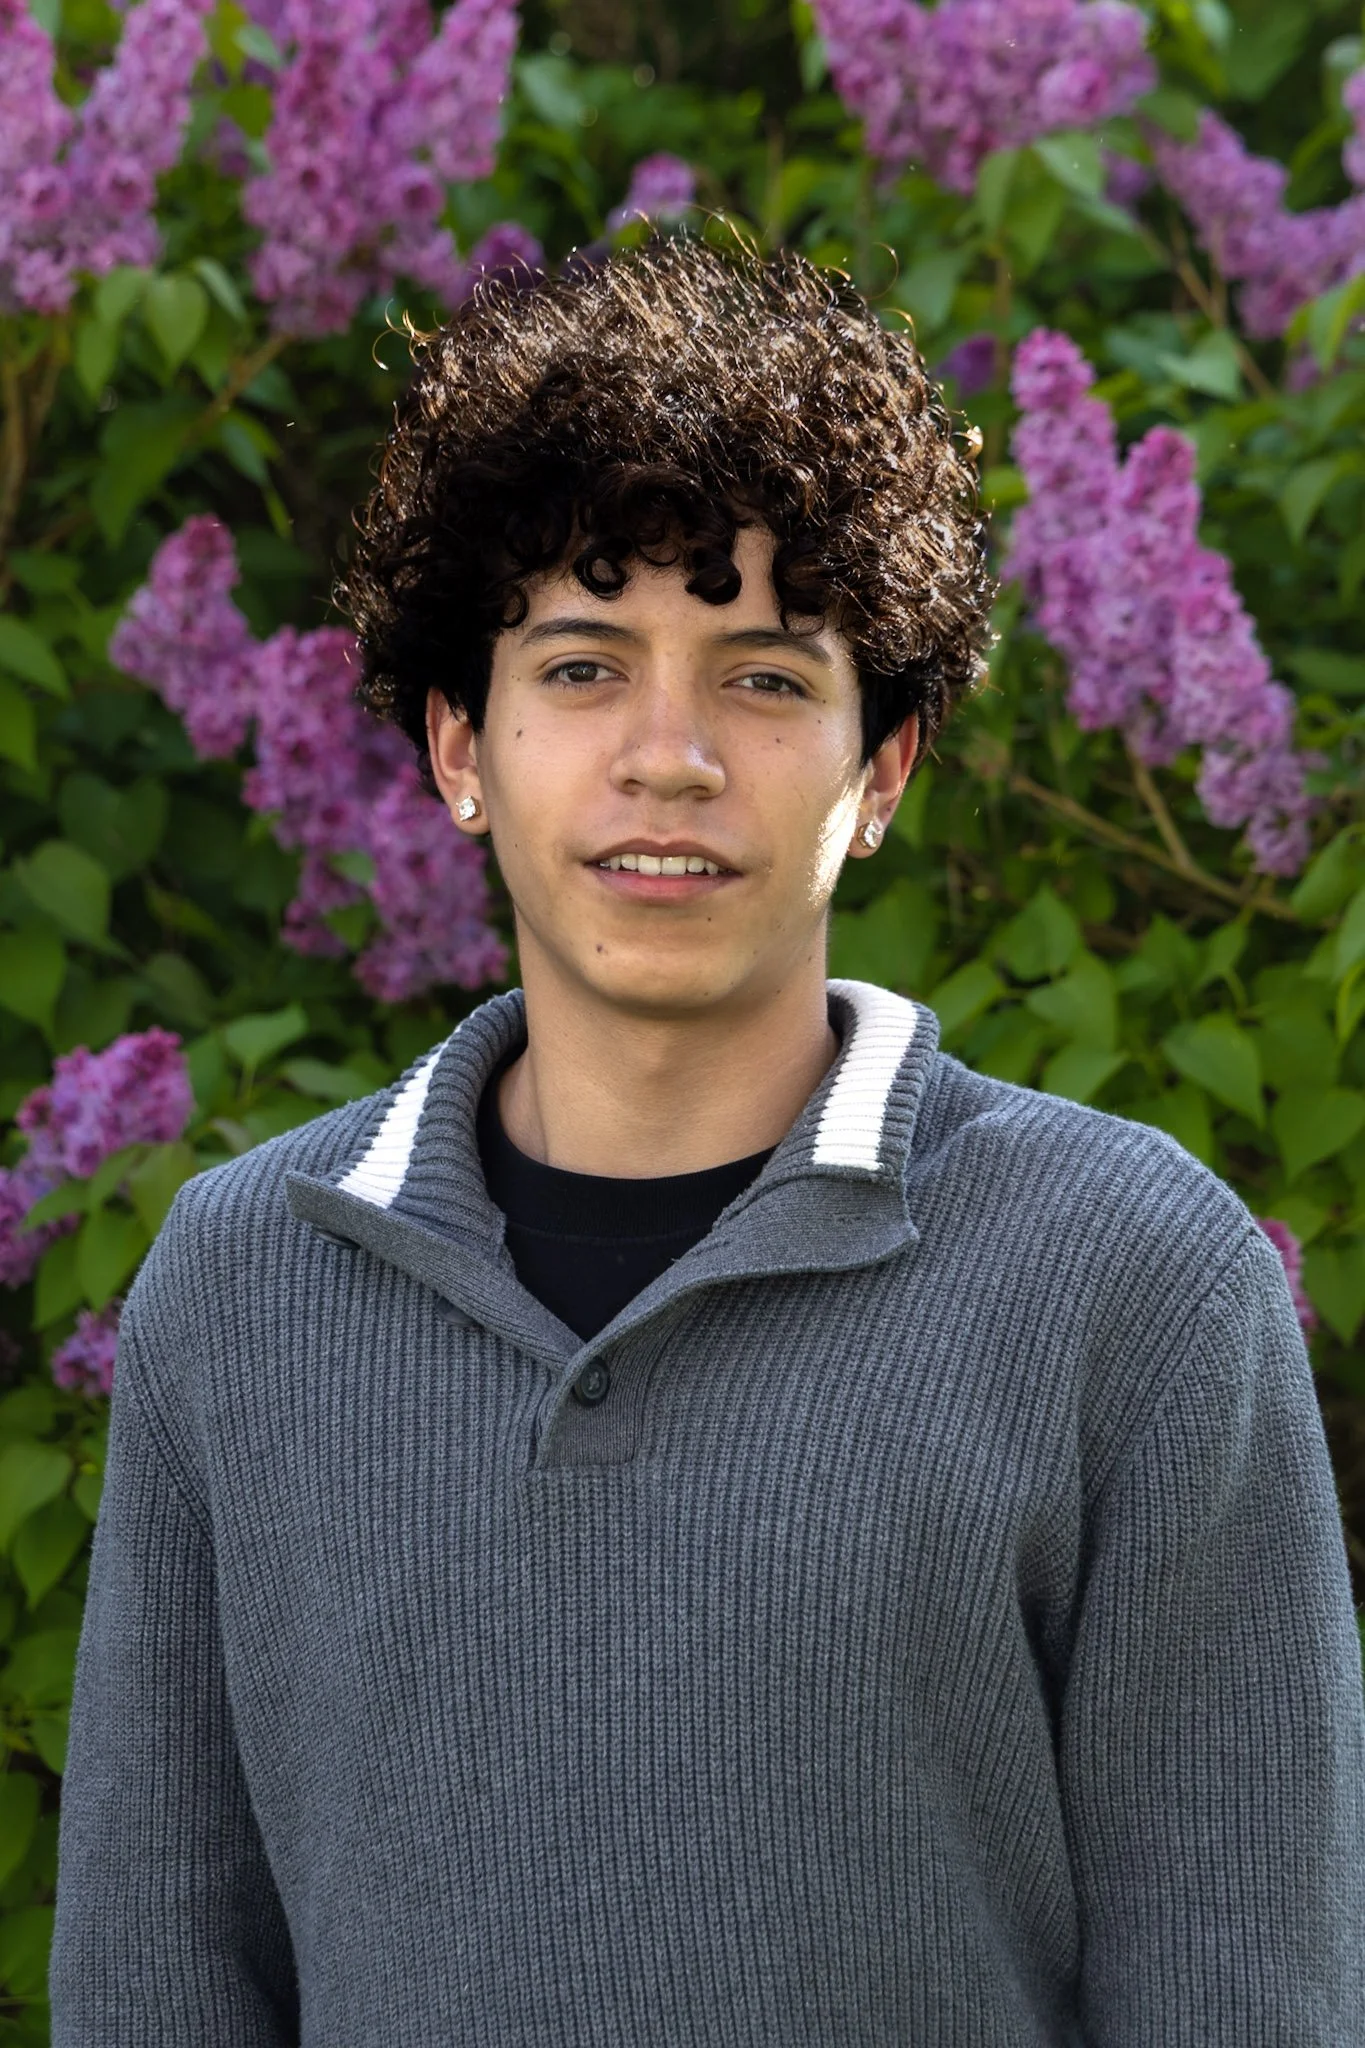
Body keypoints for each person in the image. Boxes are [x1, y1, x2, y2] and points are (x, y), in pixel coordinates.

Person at [50, 233, 1364, 2046]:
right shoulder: (242, 1279)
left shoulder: (1132, 1279)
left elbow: (1246, 1997)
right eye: (584, 668)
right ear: (459, 745)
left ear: (881, 767)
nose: (669, 756)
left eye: (762, 677)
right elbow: (153, 1985)